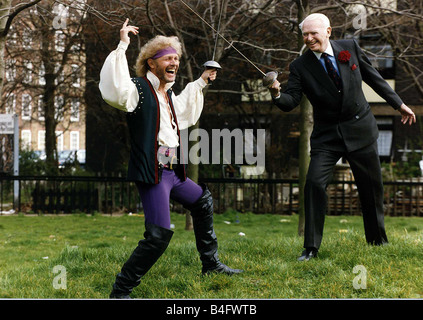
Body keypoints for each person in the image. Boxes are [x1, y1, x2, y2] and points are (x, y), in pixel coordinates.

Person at [99, 19, 242, 299]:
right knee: (157, 237)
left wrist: (203, 80)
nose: (174, 62)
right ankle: (121, 291)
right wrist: (123, 44)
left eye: (176, 58)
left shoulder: (168, 95)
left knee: (202, 201)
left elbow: (186, 105)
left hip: (173, 173)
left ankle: (210, 264)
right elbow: (115, 89)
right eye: (168, 58)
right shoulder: (138, 90)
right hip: (153, 173)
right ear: (152, 64)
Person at [268, 13, 416, 261]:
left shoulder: (350, 48)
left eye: (314, 33)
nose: (309, 38)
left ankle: (377, 241)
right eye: (305, 34)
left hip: (361, 129)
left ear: (328, 31)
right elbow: (290, 102)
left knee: (371, 189)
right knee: (314, 184)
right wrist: (275, 94)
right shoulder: (299, 66)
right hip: (327, 137)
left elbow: (373, 77)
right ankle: (311, 248)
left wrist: (398, 104)